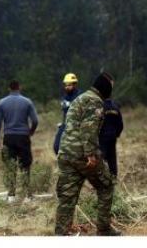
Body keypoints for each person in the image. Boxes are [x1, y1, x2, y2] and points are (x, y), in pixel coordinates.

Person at [54, 72, 119, 236]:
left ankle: (61, 233)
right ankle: (104, 229)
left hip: (66, 153)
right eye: (111, 86)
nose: (111, 90)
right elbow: (88, 129)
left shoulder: (81, 98)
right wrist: (91, 154)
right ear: (104, 86)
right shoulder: (95, 101)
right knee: (106, 185)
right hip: (82, 155)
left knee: (67, 196)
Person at [0, 80, 38, 201]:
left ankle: (11, 195)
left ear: (9, 88)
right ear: (20, 87)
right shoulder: (27, 102)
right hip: (23, 136)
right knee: (25, 165)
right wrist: (31, 131)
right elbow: (35, 120)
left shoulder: (2, 103)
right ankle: (27, 195)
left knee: (10, 165)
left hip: (9, 137)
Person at [53, 72, 81, 154]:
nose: (67, 87)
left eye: (69, 85)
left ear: (75, 85)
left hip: (77, 125)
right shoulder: (65, 96)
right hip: (65, 124)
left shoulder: (80, 96)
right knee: (57, 147)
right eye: (66, 85)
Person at [99, 98, 123, 177]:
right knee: (112, 159)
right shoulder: (115, 107)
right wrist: (116, 134)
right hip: (112, 137)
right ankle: (113, 177)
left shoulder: (100, 107)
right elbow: (120, 124)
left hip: (102, 138)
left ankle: (102, 179)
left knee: (101, 159)